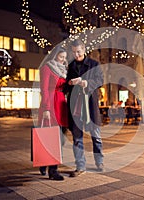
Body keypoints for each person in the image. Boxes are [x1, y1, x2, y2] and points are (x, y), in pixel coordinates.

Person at [65, 39, 104, 177]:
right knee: (77, 137)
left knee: (96, 135)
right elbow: (66, 85)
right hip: (75, 105)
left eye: (79, 51)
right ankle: (80, 166)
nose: (76, 54)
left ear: (84, 49)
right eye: (74, 52)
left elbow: (100, 80)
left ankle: (99, 162)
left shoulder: (94, 64)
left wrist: (86, 82)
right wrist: (70, 82)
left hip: (90, 104)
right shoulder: (70, 65)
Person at [37, 46, 69, 181]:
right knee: (50, 138)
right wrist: (46, 109)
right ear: (55, 56)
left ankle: (45, 162)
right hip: (50, 103)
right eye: (60, 57)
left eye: (64, 57)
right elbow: (44, 89)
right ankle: (53, 170)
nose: (63, 60)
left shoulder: (64, 71)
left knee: (60, 139)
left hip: (61, 104)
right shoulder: (47, 68)